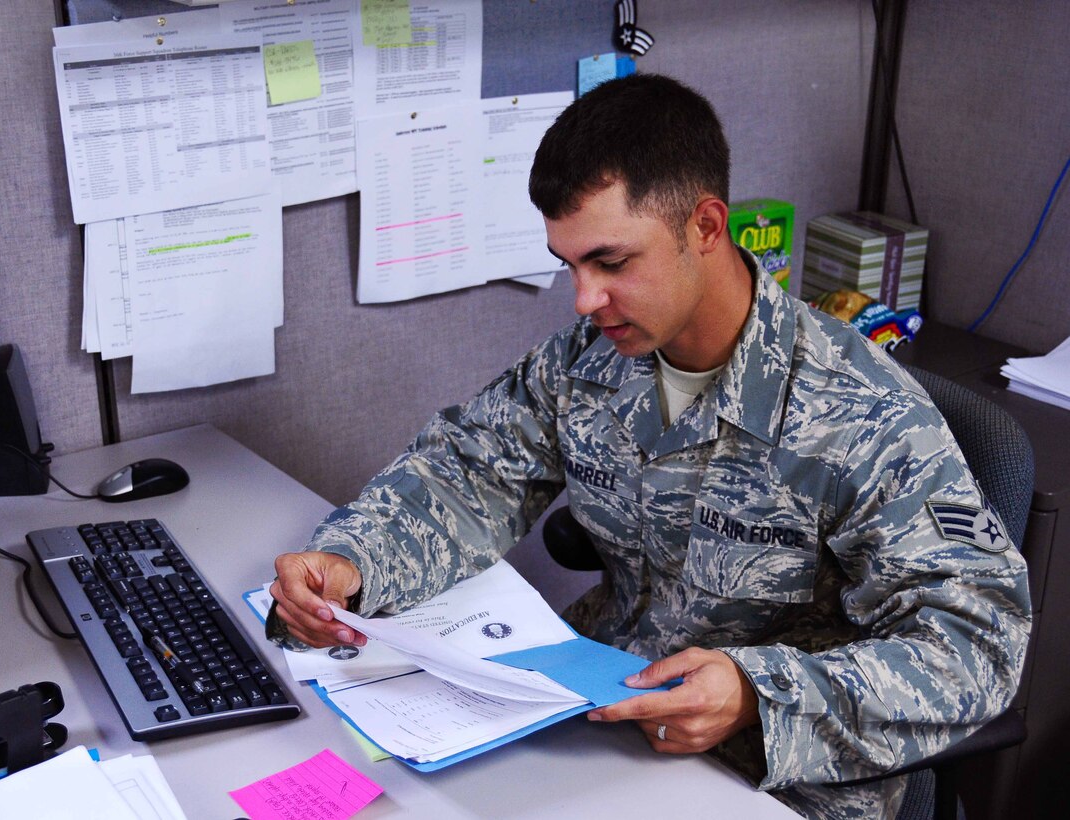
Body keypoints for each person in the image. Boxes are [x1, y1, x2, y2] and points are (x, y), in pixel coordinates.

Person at [268, 74, 1030, 819]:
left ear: (703, 226)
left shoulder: (861, 414)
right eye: (569, 264)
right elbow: (467, 471)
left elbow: (975, 646)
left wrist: (753, 694)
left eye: (611, 261)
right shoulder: (589, 360)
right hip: (599, 717)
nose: (584, 299)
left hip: (772, 777)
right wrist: (355, 561)